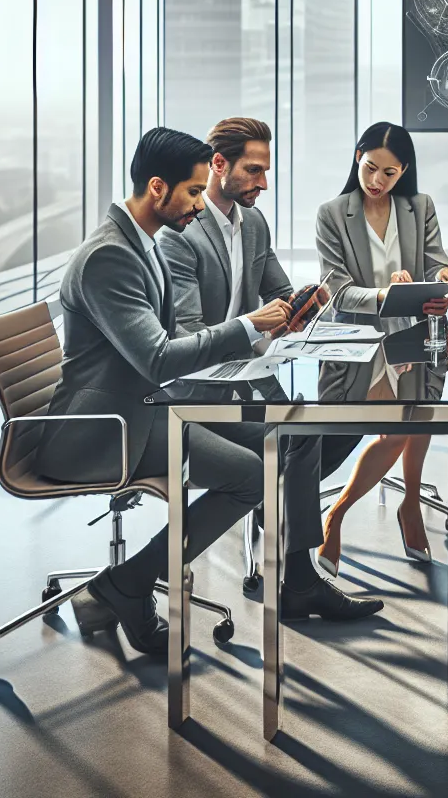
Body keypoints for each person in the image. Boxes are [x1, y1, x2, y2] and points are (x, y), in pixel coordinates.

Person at [45, 128, 381, 659]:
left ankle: (288, 579)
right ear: (158, 187)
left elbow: (168, 341)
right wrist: (249, 325)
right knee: (250, 475)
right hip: (105, 428)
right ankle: (128, 583)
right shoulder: (110, 257)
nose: (199, 204)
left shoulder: (140, 242)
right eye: (193, 192)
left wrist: (277, 319)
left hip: (147, 408)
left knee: (289, 434)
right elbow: (159, 357)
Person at [158, 117, 363, 598]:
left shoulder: (253, 223)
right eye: (253, 170)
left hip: (252, 378)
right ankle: (300, 575)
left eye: (266, 171)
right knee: (299, 436)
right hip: (200, 390)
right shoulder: (179, 234)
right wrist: (256, 324)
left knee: (345, 422)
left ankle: (282, 516)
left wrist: (305, 304)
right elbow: (188, 335)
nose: (264, 183)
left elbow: (280, 294)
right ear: (218, 164)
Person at [313, 121, 448, 575]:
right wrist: (386, 295)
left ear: (404, 171)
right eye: (370, 168)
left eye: (389, 173)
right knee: (395, 431)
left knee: (417, 419)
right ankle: (338, 514)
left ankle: (409, 503)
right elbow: (338, 292)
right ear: (357, 158)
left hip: (416, 333)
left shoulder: (420, 207)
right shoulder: (332, 214)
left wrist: (442, 278)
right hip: (361, 340)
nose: (377, 180)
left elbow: (436, 262)